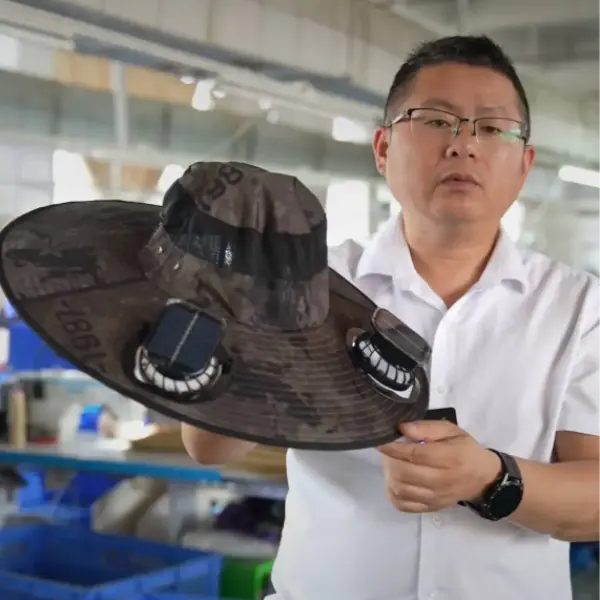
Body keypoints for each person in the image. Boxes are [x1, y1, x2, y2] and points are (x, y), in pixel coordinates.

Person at [182, 35, 600, 600]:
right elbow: (208, 448)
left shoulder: (578, 308)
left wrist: (490, 477)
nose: (463, 145)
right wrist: (245, 310)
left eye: (492, 127)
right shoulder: (311, 283)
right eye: (436, 121)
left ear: (524, 165)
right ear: (382, 149)